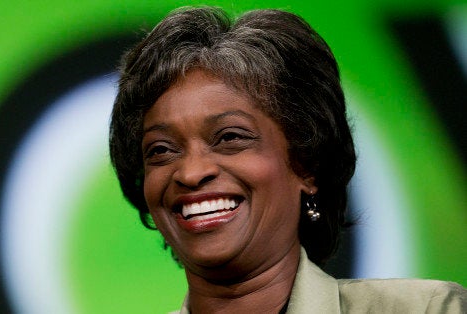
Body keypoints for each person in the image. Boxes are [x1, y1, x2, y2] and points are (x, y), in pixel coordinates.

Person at [108, 6, 466, 313]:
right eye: (161, 150)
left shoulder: (426, 308)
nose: (191, 172)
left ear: (306, 163)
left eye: (230, 137)